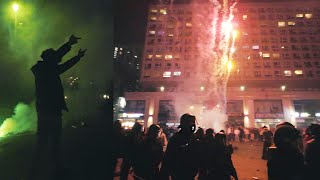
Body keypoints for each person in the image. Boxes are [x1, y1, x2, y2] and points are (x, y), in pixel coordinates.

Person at [29, 35, 86, 179]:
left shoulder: (44, 69)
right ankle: (44, 170)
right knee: (50, 142)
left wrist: (70, 45)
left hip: (46, 110)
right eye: (55, 58)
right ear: (50, 59)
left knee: (47, 142)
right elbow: (62, 62)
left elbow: (60, 59)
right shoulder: (46, 70)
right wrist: (72, 49)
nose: (58, 59)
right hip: (50, 110)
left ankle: (40, 170)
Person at [160, 113, 200, 180]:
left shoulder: (193, 137)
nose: (193, 125)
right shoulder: (176, 138)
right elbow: (168, 157)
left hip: (189, 173)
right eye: (191, 122)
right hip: (179, 173)